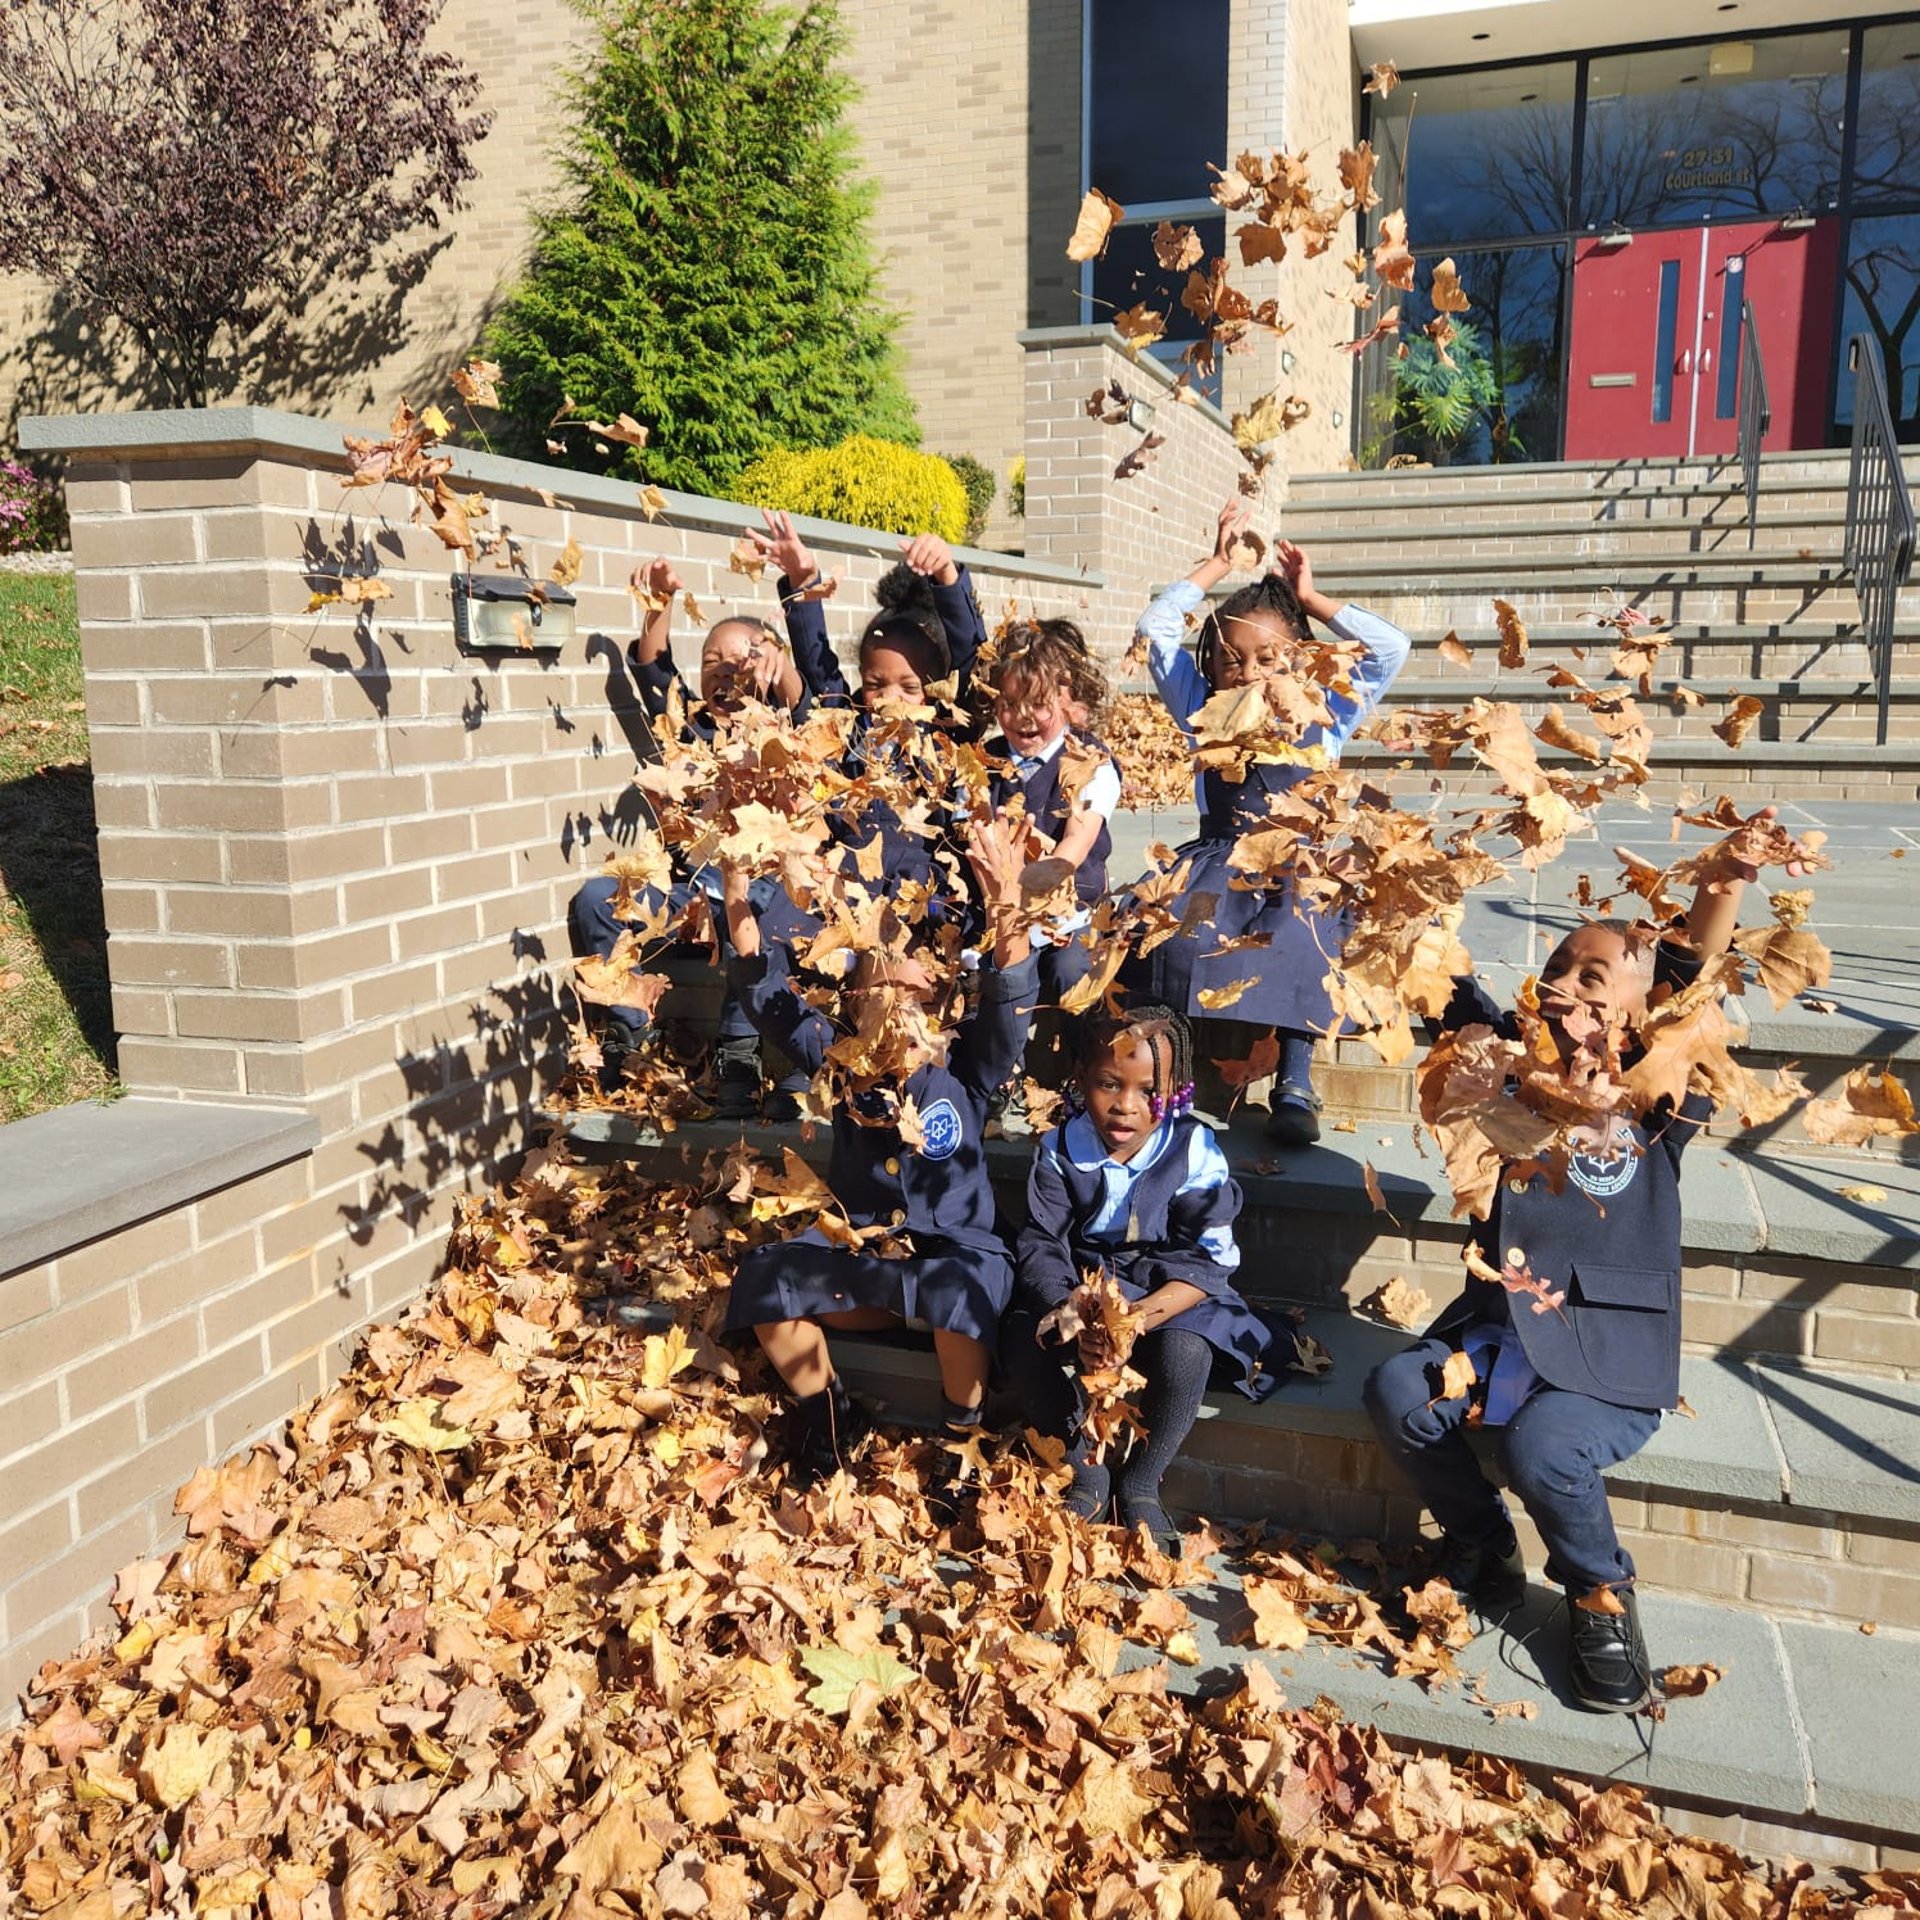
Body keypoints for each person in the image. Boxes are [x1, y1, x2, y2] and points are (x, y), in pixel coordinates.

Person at [1362, 817, 1801, 1713]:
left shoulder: (1656, 1097)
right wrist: (1395, 891)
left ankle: (1601, 1593)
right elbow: (1438, 982)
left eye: (1591, 979)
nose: (1563, 988)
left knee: (1544, 1449)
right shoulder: (1509, 1069)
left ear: (1642, 1013)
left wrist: (1724, 884)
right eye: (1556, 972)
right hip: (1499, 1331)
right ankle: (1481, 1543)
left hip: (1605, 1348)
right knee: (1396, 1394)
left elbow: (1691, 985)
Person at [718, 813, 1038, 1496]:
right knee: (765, 1278)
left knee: (961, 1292)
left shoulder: (966, 1070)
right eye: (879, 992)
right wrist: (736, 883)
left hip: (955, 1256)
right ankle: (830, 1413)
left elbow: (1012, 1001)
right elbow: (762, 989)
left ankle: (961, 1442)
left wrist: (1007, 903)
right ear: (852, 1004)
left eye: (913, 996)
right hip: (864, 1263)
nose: (897, 1009)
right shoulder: (837, 1061)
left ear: (941, 1007)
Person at [1128, 500, 1410, 1146]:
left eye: (1267, 658)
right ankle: (1169, 1071)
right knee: (1172, 934)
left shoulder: (1325, 713)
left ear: (1299, 660)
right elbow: (1158, 626)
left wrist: (1309, 599)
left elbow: (1392, 648)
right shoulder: (1201, 705)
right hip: (1220, 861)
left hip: (1296, 868)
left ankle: (1296, 1077)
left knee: (1303, 925)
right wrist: (1217, 564)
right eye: (1232, 658)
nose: (1249, 671)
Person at [1000, 1005, 1273, 1552]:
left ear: (1175, 1088)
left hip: (1171, 1295)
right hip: (1085, 1288)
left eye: (1149, 1089)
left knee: (1186, 1354)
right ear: (1080, 1079)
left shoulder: (1192, 1150)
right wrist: (1072, 1309)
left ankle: (1143, 1480)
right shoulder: (1059, 1150)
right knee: (1021, 1340)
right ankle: (1088, 1473)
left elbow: (1208, 1259)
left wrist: (1131, 1322)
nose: (1127, 1106)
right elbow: (1040, 1241)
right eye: (1108, 1084)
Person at [567, 559, 810, 1114]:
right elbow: (654, 670)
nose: (724, 672)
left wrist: (785, 671)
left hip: (763, 893)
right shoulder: (689, 727)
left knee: (752, 910)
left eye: (741, 660)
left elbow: (807, 699)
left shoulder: (787, 731)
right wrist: (659, 604)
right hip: (687, 892)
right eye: (711, 663)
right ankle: (631, 1027)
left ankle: (739, 1047)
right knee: (596, 901)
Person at [980, 619, 1122, 1067]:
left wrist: (1035, 886)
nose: (1022, 717)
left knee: (1071, 972)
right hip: (1000, 908)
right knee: (989, 971)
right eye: (1009, 702)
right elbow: (979, 837)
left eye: (1038, 703)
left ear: (1068, 699)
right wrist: (1006, 906)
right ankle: (999, 1068)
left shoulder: (1089, 764)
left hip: (1071, 911)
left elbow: (1076, 845)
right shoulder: (984, 764)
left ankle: (1090, 1065)